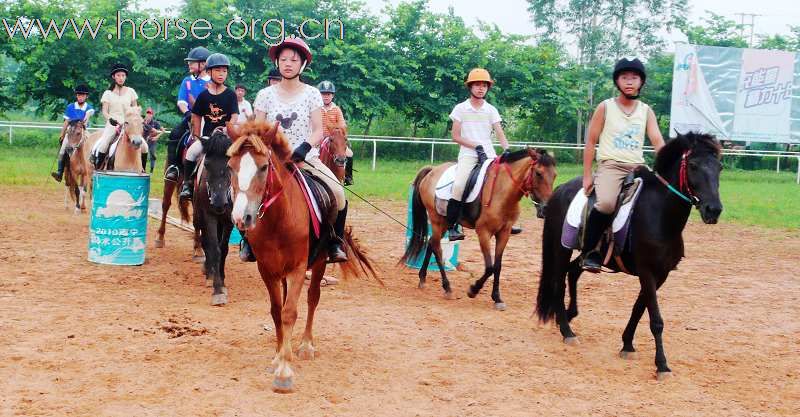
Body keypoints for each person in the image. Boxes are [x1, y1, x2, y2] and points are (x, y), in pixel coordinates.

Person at [253, 38, 348, 263]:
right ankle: (249, 240)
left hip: (305, 159)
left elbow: (318, 130)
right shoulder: (264, 95)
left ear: (302, 64)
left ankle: (335, 243)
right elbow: (257, 131)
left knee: (339, 193)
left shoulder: (312, 93)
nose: (288, 63)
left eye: (294, 60)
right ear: (277, 62)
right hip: (271, 161)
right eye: (283, 59)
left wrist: (303, 148)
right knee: (244, 190)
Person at [580, 58, 666, 272]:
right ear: (617, 82)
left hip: (638, 167)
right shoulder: (605, 107)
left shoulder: (646, 111)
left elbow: (657, 140)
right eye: (624, 78)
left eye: (634, 78)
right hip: (611, 166)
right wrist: (587, 175)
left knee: (660, 201)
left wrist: (666, 166)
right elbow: (591, 141)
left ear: (641, 82)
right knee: (607, 204)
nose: (629, 82)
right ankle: (591, 251)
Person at [446, 68, 509, 241]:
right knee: (459, 185)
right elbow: (455, 137)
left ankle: (506, 220)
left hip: (489, 154)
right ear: (470, 87)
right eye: (477, 85)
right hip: (468, 154)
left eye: (484, 85)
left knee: (504, 184)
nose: (481, 88)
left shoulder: (491, 110)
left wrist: (507, 149)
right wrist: (475, 146)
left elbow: (499, 132)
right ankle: (452, 226)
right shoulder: (460, 108)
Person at [179, 53, 240, 200]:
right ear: (209, 72)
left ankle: (240, 187)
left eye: (224, 71)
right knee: (192, 152)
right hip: (209, 137)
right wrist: (196, 137)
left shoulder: (231, 95)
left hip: (226, 137)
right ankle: (187, 184)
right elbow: (196, 117)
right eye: (218, 70)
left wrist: (228, 128)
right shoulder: (203, 96)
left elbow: (234, 115)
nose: (221, 74)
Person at [165, 46, 211, 181]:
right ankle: (174, 167)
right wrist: (187, 113)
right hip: (191, 117)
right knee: (175, 134)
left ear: (203, 64)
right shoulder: (187, 81)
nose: (189, 64)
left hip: (210, 120)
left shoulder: (213, 82)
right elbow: (181, 101)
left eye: (192, 62)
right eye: (189, 62)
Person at [91, 63, 145, 170]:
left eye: (123, 76)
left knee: (144, 146)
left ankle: (142, 170)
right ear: (113, 77)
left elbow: (135, 110)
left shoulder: (131, 91)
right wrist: (110, 119)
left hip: (129, 125)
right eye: (118, 75)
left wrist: (137, 120)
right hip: (113, 125)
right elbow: (105, 111)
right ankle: (98, 169)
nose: (121, 78)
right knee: (104, 144)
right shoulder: (108, 93)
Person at [51, 84, 95, 182]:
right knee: (63, 150)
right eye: (79, 95)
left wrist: (82, 125)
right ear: (76, 96)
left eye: (83, 95)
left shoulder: (89, 108)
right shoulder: (70, 107)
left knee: (92, 147)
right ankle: (59, 172)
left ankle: (93, 169)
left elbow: (86, 120)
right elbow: (66, 122)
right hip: (71, 131)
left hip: (83, 130)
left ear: (86, 96)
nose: (80, 97)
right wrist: (62, 134)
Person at [317, 80, 355, 185]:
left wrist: (336, 131)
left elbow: (342, 124)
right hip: (318, 138)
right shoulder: (316, 108)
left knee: (349, 154)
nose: (326, 96)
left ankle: (348, 176)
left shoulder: (336, 109)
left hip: (334, 138)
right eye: (323, 94)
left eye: (328, 94)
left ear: (332, 96)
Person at [142, 107, 164, 174]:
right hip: (143, 141)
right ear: (145, 114)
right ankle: (143, 169)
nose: (148, 115)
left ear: (152, 115)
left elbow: (163, 131)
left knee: (152, 155)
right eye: (147, 113)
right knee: (143, 154)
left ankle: (151, 170)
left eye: (150, 113)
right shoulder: (142, 121)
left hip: (152, 141)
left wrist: (157, 137)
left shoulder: (155, 123)